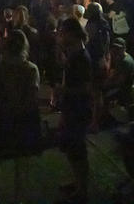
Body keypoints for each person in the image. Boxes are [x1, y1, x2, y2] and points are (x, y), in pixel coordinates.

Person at [0, 30, 42, 202]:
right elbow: (33, 98)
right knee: (21, 161)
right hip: (23, 119)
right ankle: (19, 198)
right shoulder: (31, 69)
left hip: (3, 117)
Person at [56, 18, 92, 204]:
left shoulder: (81, 58)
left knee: (78, 148)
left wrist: (64, 91)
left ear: (72, 33)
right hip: (72, 107)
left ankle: (82, 190)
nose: (60, 36)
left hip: (78, 109)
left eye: (63, 32)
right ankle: (77, 183)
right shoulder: (73, 54)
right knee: (72, 148)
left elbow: (86, 88)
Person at [84, 2, 111, 130]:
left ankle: (95, 123)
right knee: (96, 92)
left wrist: (100, 58)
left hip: (96, 61)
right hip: (99, 60)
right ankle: (96, 120)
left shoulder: (95, 25)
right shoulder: (103, 24)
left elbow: (97, 45)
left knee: (96, 93)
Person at [103, 37, 134, 107]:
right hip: (118, 84)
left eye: (119, 48)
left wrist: (104, 85)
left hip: (123, 89)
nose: (116, 50)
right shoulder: (120, 57)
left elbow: (119, 82)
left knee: (102, 95)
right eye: (114, 47)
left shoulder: (126, 62)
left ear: (124, 48)